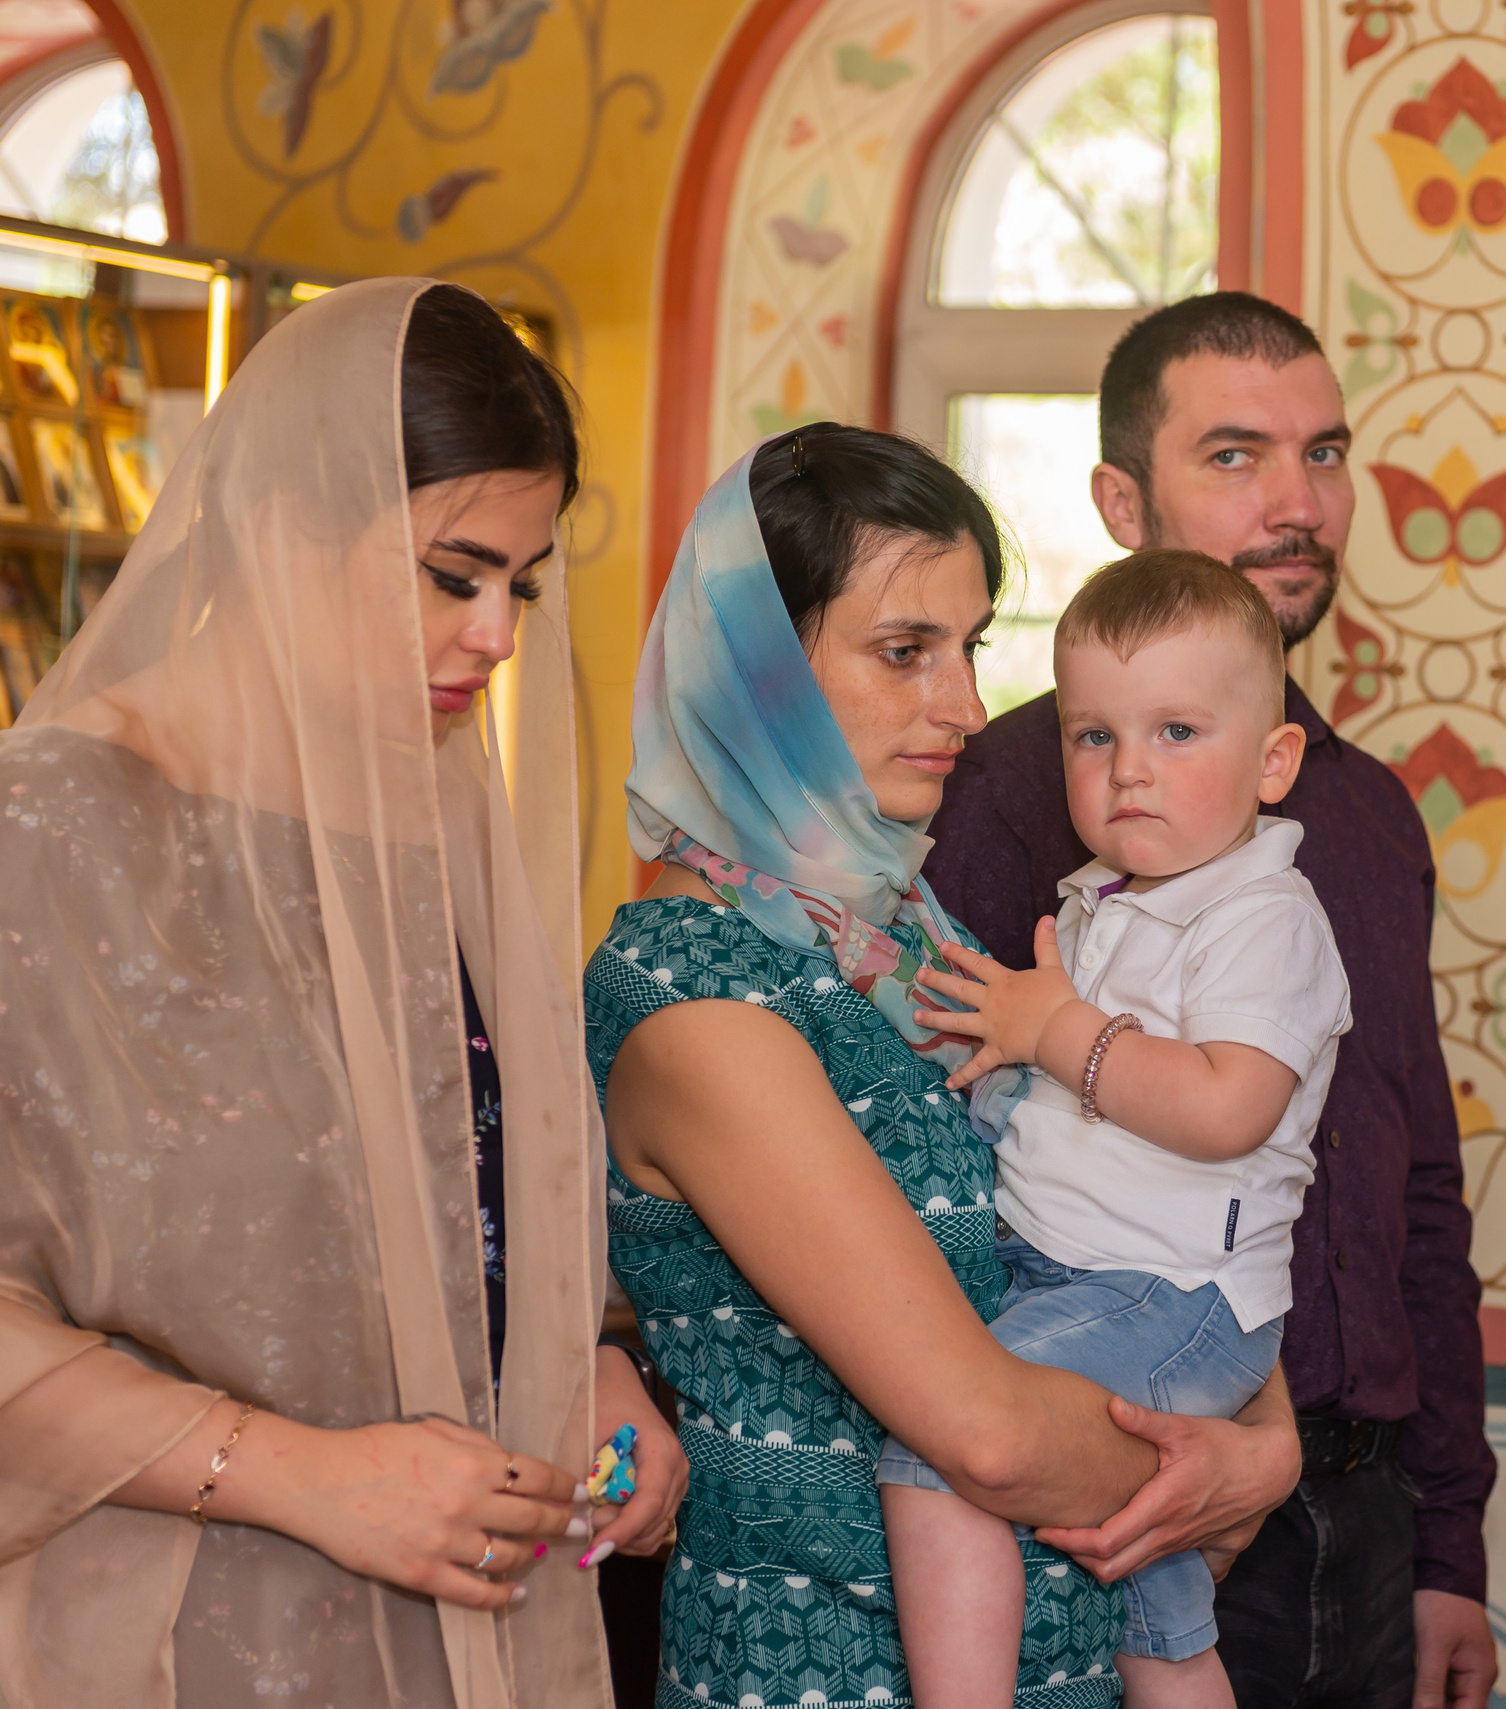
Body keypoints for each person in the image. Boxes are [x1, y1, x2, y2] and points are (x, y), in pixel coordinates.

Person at [0, 277, 681, 1705]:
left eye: (524, 584)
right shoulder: (51, 828)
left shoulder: (437, 821)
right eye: (453, 575)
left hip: (480, 1614)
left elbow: (503, 1170)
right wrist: (304, 1477)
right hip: (182, 1624)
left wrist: (598, 1368)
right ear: (274, 529)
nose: (497, 636)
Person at [590, 426, 1307, 1709]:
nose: (968, 710)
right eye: (904, 650)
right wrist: (1220, 1468)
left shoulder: (923, 936)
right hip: (826, 1670)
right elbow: (978, 1428)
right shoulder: (691, 986)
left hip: (1059, 1655)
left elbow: (1140, 1214)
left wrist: (1264, 1447)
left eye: (969, 648)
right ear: (758, 673)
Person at [925, 291, 1500, 1709]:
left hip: (1357, 1522)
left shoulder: (1361, 818)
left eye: (1326, 454)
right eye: (1236, 457)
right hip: (1126, 1480)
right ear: (1123, 497)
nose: (1297, 503)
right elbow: (946, 1160)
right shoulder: (1014, 799)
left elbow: (1414, 1187)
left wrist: (1447, 1545)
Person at [878, 548, 1354, 1709]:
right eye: (1095, 737)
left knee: (941, 1448)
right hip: (1085, 1272)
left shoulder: (1262, 913)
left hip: (1171, 1293)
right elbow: (1051, 1075)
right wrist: (993, 1039)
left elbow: (1224, 1104)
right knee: (1159, 1615)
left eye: (1177, 732)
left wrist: (1058, 1034)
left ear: (1274, 758)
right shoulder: (1104, 894)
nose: (1129, 769)